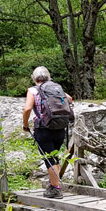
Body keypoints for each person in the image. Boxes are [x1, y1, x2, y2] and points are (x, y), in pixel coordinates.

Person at [22, 66, 72, 199]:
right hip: (59, 127)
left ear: (34, 78)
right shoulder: (56, 88)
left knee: (49, 158)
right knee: (54, 156)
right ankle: (53, 185)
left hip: (43, 128)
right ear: (48, 77)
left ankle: (56, 189)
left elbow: (27, 108)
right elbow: (70, 99)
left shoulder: (33, 90)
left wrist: (25, 124)